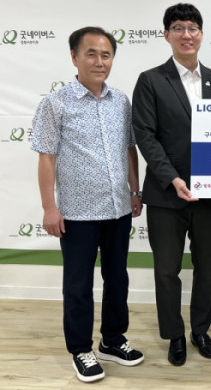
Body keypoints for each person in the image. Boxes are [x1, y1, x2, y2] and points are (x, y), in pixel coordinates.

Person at [31, 26, 144, 383]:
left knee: (117, 278)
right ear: (74, 57)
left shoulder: (120, 101)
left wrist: (135, 191)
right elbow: (46, 157)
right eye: (91, 54)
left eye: (105, 55)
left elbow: (129, 148)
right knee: (78, 285)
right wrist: (49, 208)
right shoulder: (56, 103)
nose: (99, 61)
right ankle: (81, 348)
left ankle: (112, 339)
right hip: (77, 214)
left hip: (118, 209)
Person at [132, 3, 211, 366]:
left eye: (192, 28)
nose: (186, 35)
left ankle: (200, 330)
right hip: (165, 196)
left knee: (207, 268)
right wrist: (172, 178)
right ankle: (174, 334)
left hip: (210, 197)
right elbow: (145, 136)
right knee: (166, 270)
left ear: (201, 34)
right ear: (167, 35)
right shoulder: (150, 80)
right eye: (178, 28)